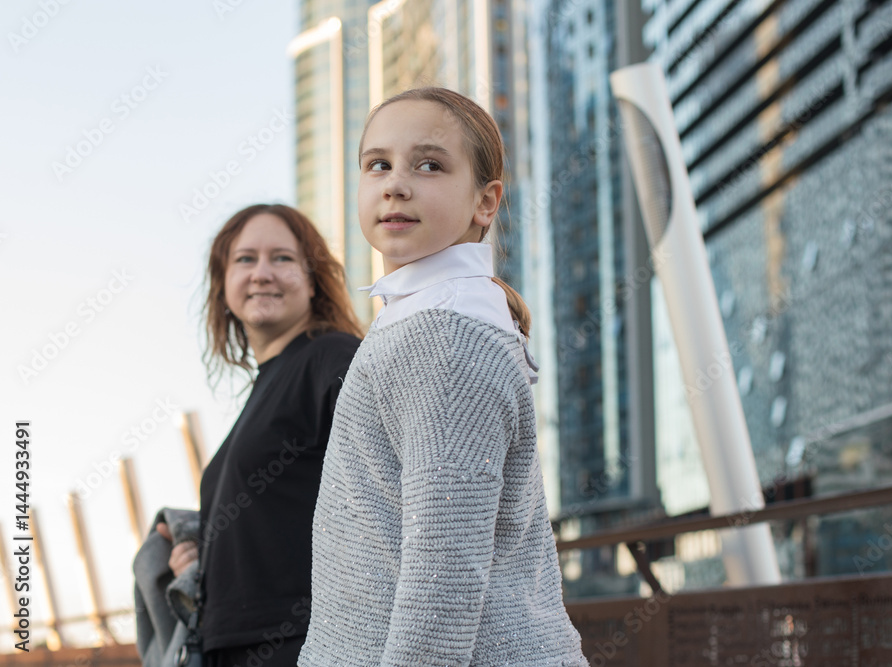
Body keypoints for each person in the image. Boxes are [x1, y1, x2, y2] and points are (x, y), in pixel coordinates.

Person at [298, 88, 588, 666]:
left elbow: (444, 577)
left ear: (485, 202)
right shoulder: (428, 318)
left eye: (429, 165)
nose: (395, 184)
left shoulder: (444, 336)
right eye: (378, 164)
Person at [156, 203, 363, 667]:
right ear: (224, 283)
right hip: (229, 646)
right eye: (245, 259)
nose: (262, 273)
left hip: (302, 644)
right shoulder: (267, 383)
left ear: (312, 280)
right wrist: (201, 555)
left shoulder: (332, 357)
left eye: (282, 258)